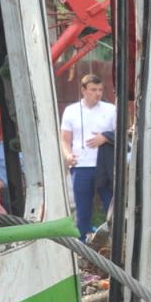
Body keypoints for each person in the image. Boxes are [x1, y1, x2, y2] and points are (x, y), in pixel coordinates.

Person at [59, 71, 117, 239]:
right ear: (83, 90)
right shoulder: (71, 111)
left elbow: (125, 133)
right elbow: (65, 139)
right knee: (82, 209)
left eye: (100, 89)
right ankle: (82, 245)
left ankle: (114, 243)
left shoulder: (110, 109)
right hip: (81, 166)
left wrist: (105, 137)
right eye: (93, 89)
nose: (97, 93)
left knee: (111, 206)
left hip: (104, 165)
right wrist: (68, 155)